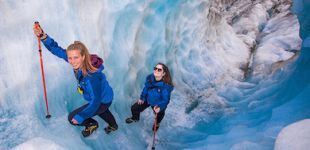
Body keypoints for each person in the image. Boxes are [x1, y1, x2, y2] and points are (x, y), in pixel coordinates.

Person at [33, 24, 118, 137]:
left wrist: (80, 117)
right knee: (103, 111)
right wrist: (43, 36)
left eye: (75, 58)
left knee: (73, 117)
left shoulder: (91, 77)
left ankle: (92, 124)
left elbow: (96, 102)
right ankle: (114, 125)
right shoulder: (78, 62)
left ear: (83, 57)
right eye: (70, 58)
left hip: (102, 100)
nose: (72, 61)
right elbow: (56, 50)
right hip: (103, 97)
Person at [125, 63, 174, 131]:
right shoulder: (150, 78)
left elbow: (165, 100)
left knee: (158, 116)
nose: (156, 70)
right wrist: (142, 98)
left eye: (159, 70)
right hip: (148, 99)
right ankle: (135, 118)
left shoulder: (165, 87)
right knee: (134, 108)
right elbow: (146, 88)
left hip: (158, 104)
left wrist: (159, 107)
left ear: (163, 73)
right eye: (155, 68)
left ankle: (157, 124)